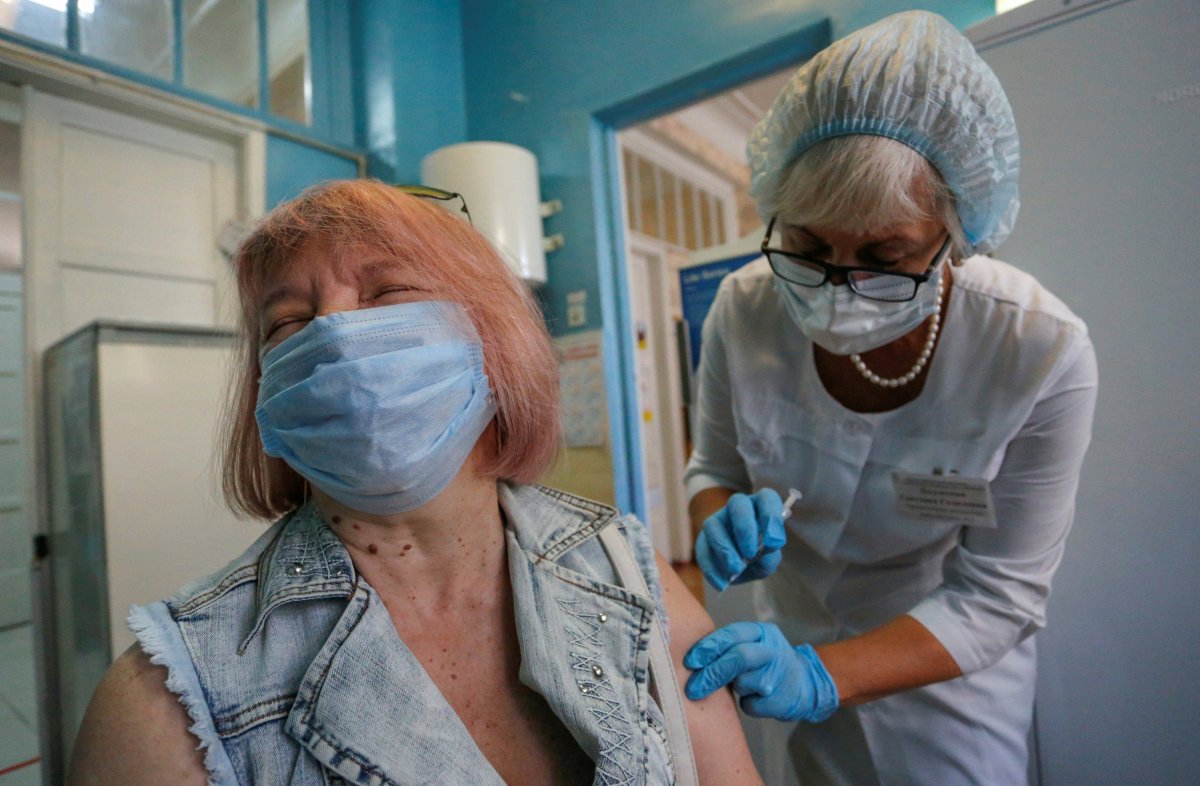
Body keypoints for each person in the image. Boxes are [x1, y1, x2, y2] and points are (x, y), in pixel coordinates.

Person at [68, 180, 762, 785]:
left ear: (495, 344)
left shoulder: (628, 571)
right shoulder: (167, 703)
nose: (335, 332)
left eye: (390, 291)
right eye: (289, 321)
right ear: (264, 394)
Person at [681, 11, 1097, 786]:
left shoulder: (1037, 348)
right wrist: (716, 518)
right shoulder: (745, 306)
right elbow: (715, 466)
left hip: (948, 681)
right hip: (794, 647)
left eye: (886, 255)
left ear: (958, 232)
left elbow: (1000, 594)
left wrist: (825, 675)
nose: (839, 287)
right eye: (808, 246)